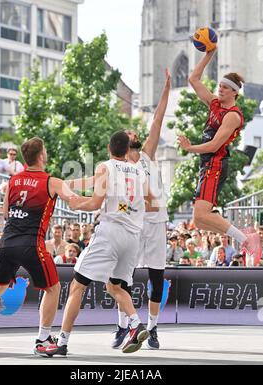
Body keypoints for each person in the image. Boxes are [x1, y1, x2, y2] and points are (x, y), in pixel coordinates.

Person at [43, 131, 152, 357]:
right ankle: (136, 324)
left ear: (108, 147)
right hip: (133, 237)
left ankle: (62, 342)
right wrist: (67, 184)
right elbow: (149, 201)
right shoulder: (140, 170)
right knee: (115, 287)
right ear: (127, 149)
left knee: (77, 285)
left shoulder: (105, 167)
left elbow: (95, 203)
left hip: (110, 232)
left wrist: (75, 203)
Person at [0, 137, 76, 354]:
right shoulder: (50, 181)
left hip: (7, 242)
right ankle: (42, 340)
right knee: (53, 288)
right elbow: (76, 201)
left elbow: (6, 212)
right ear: (42, 155)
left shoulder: (14, 180)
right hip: (31, 243)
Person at [177, 47, 261, 263]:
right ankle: (245, 236)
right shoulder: (214, 103)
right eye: (220, 85)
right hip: (206, 165)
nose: (220, 89)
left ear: (234, 92)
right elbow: (194, 79)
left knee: (201, 216)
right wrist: (209, 54)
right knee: (201, 220)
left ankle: (247, 239)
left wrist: (190, 148)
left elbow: (214, 145)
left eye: (225, 87)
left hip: (215, 163)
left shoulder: (233, 115)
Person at [113, 68, 171, 350]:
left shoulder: (147, 154)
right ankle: (122, 326)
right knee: (123, 277)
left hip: (157, 223)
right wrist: (136, 205)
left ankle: (153, 327)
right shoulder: (120, 166)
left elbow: (158, 118)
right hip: (134, 226)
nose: (132, 131)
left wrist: (166, 89)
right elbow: (118, 201)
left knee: (156, 278)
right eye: (128, 131)